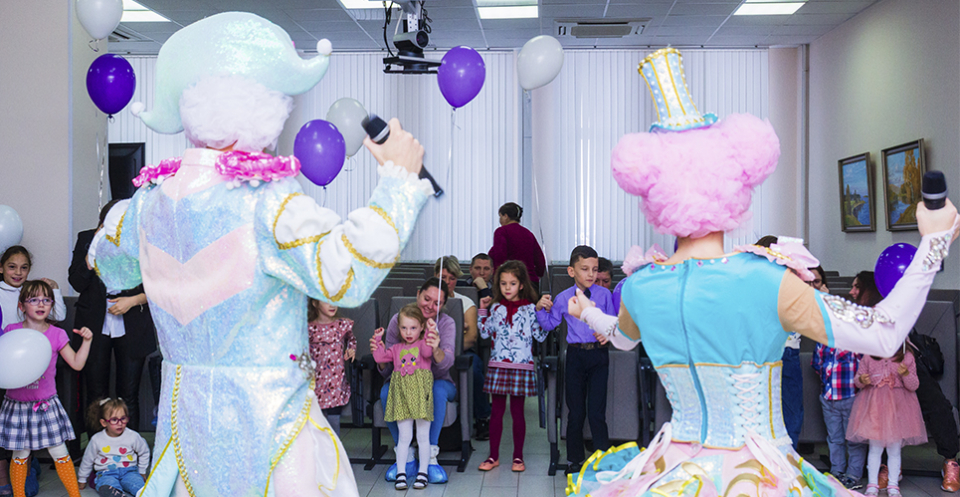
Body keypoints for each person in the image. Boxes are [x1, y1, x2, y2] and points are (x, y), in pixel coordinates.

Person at [563, 47, 960, 496]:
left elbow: (620, 337)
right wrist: (934, 243)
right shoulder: (764, 280)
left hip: (673, 474)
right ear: (734, 183)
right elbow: (885, 334)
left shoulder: (641, 286)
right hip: (757, 477)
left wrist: (584, 311)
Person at [87, 13, 432, 497]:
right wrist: (400, 184)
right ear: (259, 115)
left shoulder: (144, 203)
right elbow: (344, 275)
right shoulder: (266, 202)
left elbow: (107, 264)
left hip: (187, 428)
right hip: (269, 427)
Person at [68, 200, 155, 435]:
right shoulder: (86, 238)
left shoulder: (142, 241)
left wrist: (132, 300)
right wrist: (91, 254)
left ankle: (129, 449)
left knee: (129, 392)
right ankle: (97, 449)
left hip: (133, 321)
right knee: (96, 392)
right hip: (93, 322)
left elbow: (158, 285)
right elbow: (76, 282)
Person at [0, 280, 94, 497]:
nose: (41, 304)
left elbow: (77, 364)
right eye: (34, 299)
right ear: (22, 306)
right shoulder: (11, 331)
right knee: (20, 455)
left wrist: (87, 341)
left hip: (45, 404)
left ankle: (75, 495)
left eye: (46, 300)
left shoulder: (57, 334)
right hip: (17, 405)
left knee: (60, 452)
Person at [536, 245, 615, 475]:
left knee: (597, 411)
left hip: (599, 356)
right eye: (585, 269)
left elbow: (614, 324)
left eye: (595, 269)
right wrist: (540, 308)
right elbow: (549, 324)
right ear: (571, 271)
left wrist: (608, 334)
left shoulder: (605, 295)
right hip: (575, 357)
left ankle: (602, 460)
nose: (591, 274)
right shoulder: (562, 298)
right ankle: (574, 460)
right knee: (575, 411)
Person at [375, 279, 457, 484]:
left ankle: (431, 457)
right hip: (403, 381)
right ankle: (407, 456)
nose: (430, 306)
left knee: (437, 391)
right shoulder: (398, 319)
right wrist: (380, 355)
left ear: (443, 305)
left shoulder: (445, 323)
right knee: (386, 392)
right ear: (418, 294)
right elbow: (389, 367)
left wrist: (435, 348)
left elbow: (446, 365)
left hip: (438, 381)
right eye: (427, 299)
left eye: (437, 303)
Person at [477, 260, 547, 473]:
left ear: (522, 285)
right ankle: (493, 456)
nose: (507, 288)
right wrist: (482, 310)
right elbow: (484, 333)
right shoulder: (496, 308)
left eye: (513, 283)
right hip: (498, 365)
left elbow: (540, 336)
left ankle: (518, 457)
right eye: (503, 283)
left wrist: (543, 313)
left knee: (518, 413)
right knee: (496, 412)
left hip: (521, 366)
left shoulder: (530, 309)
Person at [847, 343, 926, 496]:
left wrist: (905, 374)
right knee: (875, 448)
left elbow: (914, 385)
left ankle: (893, 484)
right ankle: (872, 485)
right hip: (874, 409)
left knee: (894, 449)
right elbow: (858, 381)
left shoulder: (907, 357)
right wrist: (862, 379)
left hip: (897, 409)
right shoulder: (869, 356)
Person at [371, 304, 436, 490]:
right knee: (404, 436)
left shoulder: (423, 345)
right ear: (398, 328)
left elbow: (428, 352)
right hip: (402, 397)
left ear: (421, 327)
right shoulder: (396, 349)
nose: (408, 332)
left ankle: (423, 473)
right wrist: (378, 341)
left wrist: (431, 332)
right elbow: (379, 358)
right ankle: (401, 473)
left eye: (413, 327)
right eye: (404, 328)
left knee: (423, 435)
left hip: (421, 396)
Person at [755, 236, 803, 452]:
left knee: (786, 411)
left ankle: (784, 458)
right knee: (781, 411)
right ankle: (782, 459)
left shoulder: (790, 281)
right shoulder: (758, 283)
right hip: (768, 351)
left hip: (782, 351)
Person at [434, 256, 490, 440]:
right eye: (442, 278)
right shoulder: (426, 301)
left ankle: (482, 417)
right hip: (431, 352)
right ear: (435, 277)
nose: (447, 282)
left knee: (474, 369)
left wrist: (447, 350)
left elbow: (471, 337)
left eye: (452, 278)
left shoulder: (465, 302)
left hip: (462, 351)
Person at [812, 337, 866, 489]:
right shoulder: (823, 342)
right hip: (828, 398)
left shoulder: (856, 343)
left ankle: (854, 474)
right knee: (834, 438)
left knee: (855, 439)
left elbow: (865, 367)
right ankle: (837, 470)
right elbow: (816, 364)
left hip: (852, 397)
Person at [78, 398, 150, 497]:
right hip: (106, 473)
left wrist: (142, 471)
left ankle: (144, 493)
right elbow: (87, 460)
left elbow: (144, 452)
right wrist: (82, 479)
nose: (120, 423)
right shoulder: (97, 439)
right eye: (114, 420)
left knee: (137, 483)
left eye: (123, 418)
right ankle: (115, 494)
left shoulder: (133, 436)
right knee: (107, 484)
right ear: (104, 423)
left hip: (129, 471)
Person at [307, 298, 356, 437]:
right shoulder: (308, 328)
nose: (332, 305)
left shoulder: (342, 325)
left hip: (335, 382)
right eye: (327, 301)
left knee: (334, 422)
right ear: (315, 303)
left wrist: (351, 349)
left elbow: (351, 339)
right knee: (317, 423)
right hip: (315, 382)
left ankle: (335, 448)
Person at [0, 246, 66, 329]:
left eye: (24, 268)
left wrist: (55, 289)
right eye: (12, 267)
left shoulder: (33, 291)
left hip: (31, 336)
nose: (18, 272)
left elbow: (59, 316)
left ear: (29, 269)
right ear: (1, 268)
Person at [489, 203, 546, 291]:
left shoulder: (502, 231)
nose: (500, 220)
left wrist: (496, 278)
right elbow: (540, 259)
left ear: (505, 216)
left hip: (510, 282)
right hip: (530, 281)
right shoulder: (528, 233)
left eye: (500, 216)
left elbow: (500, 257)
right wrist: (537, 274)